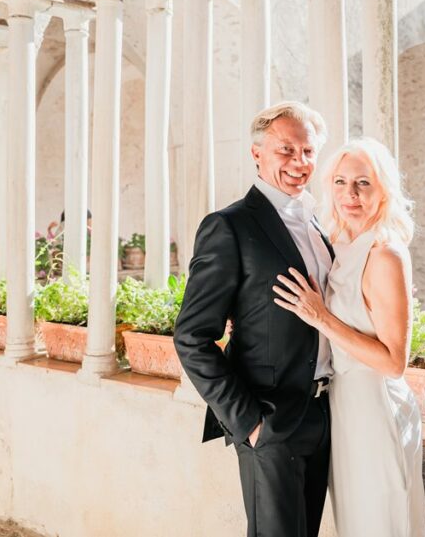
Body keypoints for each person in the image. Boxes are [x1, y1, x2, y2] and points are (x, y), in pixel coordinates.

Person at [174, 101, 333, 537]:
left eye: (308, 152)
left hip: (323, 412)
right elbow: (191, 337)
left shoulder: (318, 227)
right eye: (286, 150)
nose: (299, 163)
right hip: (270, 417)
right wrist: (249, 423)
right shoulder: (228, 226)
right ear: (256, 153)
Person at [273, 138, 425, 537]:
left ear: (384, 190)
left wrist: (321, 317)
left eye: (363, 183)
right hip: (341, 408)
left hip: (374, 409)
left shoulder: (385, 255)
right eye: (340, 182)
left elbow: (394, 362)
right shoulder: (339, 245)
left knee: (378, 523)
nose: (349, 194)